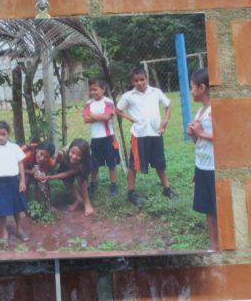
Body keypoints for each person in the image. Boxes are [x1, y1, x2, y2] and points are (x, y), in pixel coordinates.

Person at [116, 66, 174, 206]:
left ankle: (167, 189)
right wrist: (131, 118)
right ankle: (131, 191)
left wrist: (165, 121)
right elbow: (117, 110)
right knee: (134, 164)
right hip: (139, 135)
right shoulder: (128, 96)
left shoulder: (156, 92)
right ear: (132, 81)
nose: (140, 83)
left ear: (147, 78)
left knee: (160, 162)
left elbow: (168, 106)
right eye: (136, 80)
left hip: (155, 133)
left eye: (142, 79)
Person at [0, 120, 29, 244]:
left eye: (3, 134)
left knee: (16, 207)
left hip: (14, 181)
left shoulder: (14, 148)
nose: (1, 137)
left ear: (8, 134)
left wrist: (22, 181)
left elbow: (21, 165)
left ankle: (19, 229)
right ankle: (3, 230)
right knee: (1, 209)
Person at [186, 68, 218, 250]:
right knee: (208, 210)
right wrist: (194, 134)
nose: (191, 91)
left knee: (218, 209)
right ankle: (214, 246)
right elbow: (198, 142)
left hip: (214, 167)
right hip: (202, 167)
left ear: (202, 88)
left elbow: (223, 138)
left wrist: (201, 133)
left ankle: (226, 245)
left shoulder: (214, 111)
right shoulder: (200, 112)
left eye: (192, 87)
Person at [83, 77, 120, 197]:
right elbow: (86, 119)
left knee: (111, 163)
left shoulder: (108, 102)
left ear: (103, 89)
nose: (92, 92)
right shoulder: (88, 103)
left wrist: (93, 115)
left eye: (95, 89)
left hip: (108, 137)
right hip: (95, 138)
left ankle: (113, 185)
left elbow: (107, 117)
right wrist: (100, 116)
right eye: (91, 90)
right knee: (94, 164)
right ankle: (93, 184)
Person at [40, 138, 94, 216]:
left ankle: (87, 203)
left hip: (81, 165)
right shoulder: (62, 154)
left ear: (83, 156)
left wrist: (50, 177)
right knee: (66, 180)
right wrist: (49, 175)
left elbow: (69, 173)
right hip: (66, 161)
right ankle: (78, 199)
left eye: (79, 155)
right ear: (69, 150)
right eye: (73, 152)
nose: (74, 156)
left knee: (82, 179)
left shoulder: (85, 161)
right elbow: (62, 172)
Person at [21, 141, 63, 209]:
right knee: (25, 180)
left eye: (46, 157)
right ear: (37, 150)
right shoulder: (29, 155)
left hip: (36, 171)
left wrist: (42, 174)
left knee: (44, 181)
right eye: (41, 154)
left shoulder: (48, 161)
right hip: (23, 172)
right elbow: (18, 169)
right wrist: (33, 172)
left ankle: (46, 205)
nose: (42, 158)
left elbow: (52, 165)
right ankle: (22, 207)